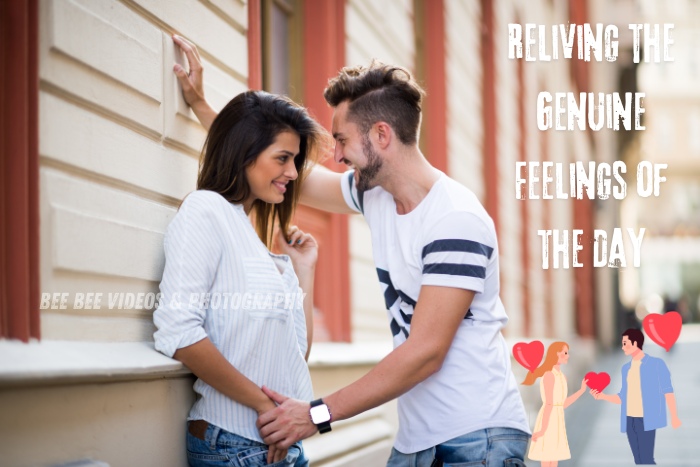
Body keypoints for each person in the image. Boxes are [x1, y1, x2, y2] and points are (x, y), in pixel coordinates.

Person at [173, 35, 531, 466]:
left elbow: (426, 352)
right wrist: (205, 110)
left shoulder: (456, 219)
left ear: (381, 135)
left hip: (478, 438)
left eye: (341, 140)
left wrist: (315, 414)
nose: (337, 156)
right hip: (420, 438)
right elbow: (279, 169)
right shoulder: (375, 195)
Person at [153, 82, 327, 466]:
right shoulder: (205, 210)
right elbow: (178, 331)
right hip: (234, 446)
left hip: (281, 444)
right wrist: (269, 409)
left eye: (295, 160)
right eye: (283, 158)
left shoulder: (255, 242)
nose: (293, 173)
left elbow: (297, 353)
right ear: (244, 152)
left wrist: (304, 271)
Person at [591, 329, 682, 465]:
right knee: (639, 460)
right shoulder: (626, 368)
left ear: (635, 343)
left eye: (625, 344)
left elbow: (668, 391)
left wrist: (674, 416)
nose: (622, 347)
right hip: (630, 420)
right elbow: (623, 397)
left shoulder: (656, 364)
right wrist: (603, 396)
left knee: (646, 459)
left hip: (646, 418)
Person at [523, 342, 588, 466]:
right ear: (555, 354)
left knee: (554, 459)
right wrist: (542, 429)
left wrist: (581, 391)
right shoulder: (549, 375)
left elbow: (562, 404)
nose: (567, 356)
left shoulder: (561, 376)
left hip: (557, 419)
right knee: (548, 459)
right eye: (564, 353)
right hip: (549, 419)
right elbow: (549, 404)